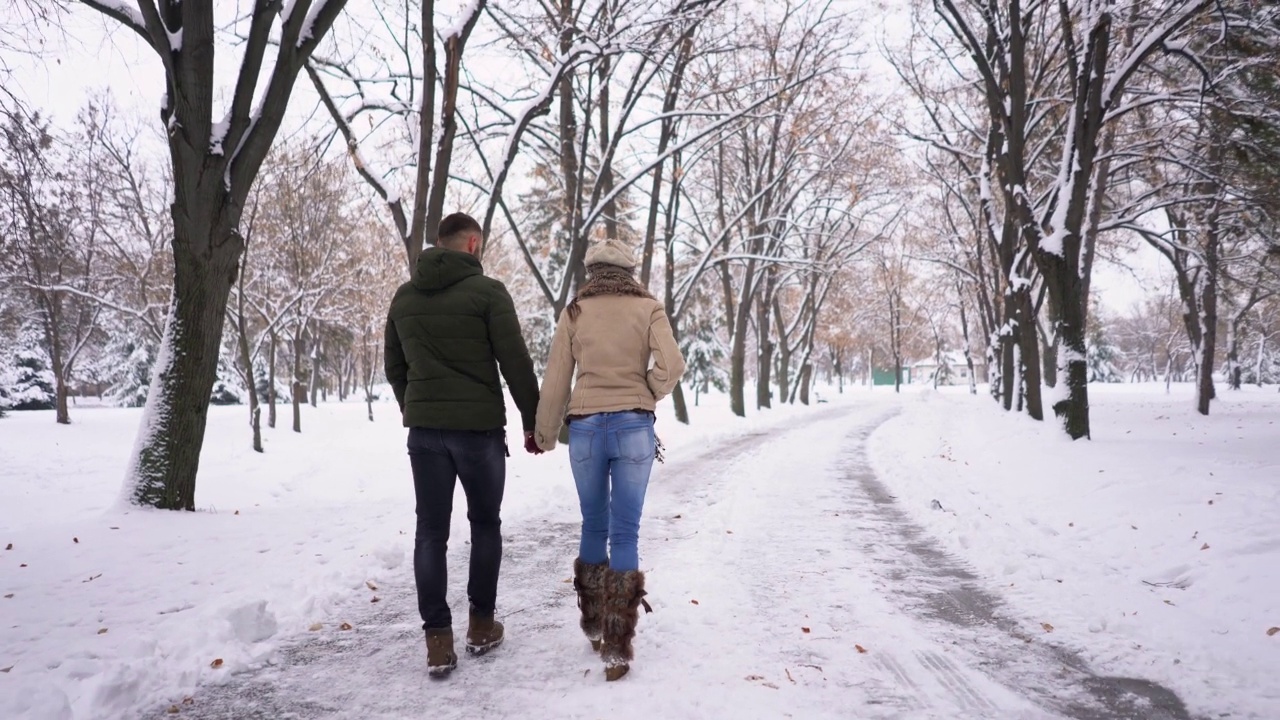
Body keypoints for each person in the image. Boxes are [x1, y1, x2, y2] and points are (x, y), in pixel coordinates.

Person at [384, 212, 544, 678]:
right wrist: (533, 422)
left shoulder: (404, 297)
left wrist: (417, 408)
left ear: (440, 244)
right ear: (473, 244)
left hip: (426, 435)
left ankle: (437, 642)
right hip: (478, 433)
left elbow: (395, 367)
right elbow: (516, 363)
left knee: (430, 532)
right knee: (485, 524)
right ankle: (480, 625)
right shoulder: (488, 294)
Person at [533, 238, 686, 681]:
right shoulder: (648, 308)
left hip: (584, 430)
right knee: (625, 530)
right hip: (633, 428)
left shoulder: (575, 311)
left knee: (593, 524)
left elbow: (557, 377)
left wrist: (545, 434)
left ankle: (595, 624)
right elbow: (672, 365)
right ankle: (617, 649)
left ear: (592, 271)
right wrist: (647, 391)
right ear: (629, 272)